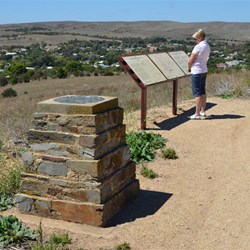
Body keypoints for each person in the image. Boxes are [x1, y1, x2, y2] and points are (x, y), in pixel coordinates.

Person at [188, 29, 210, 119]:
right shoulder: (207, 46)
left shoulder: (198, 47)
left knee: (197, 92)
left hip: (196, 71)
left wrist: (189, 68)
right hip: (204, 70)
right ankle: (202, 111)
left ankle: (196, 113)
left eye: (196, 38)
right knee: (202, 91)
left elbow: (190, 60)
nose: (195, 40)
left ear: (200, 37)